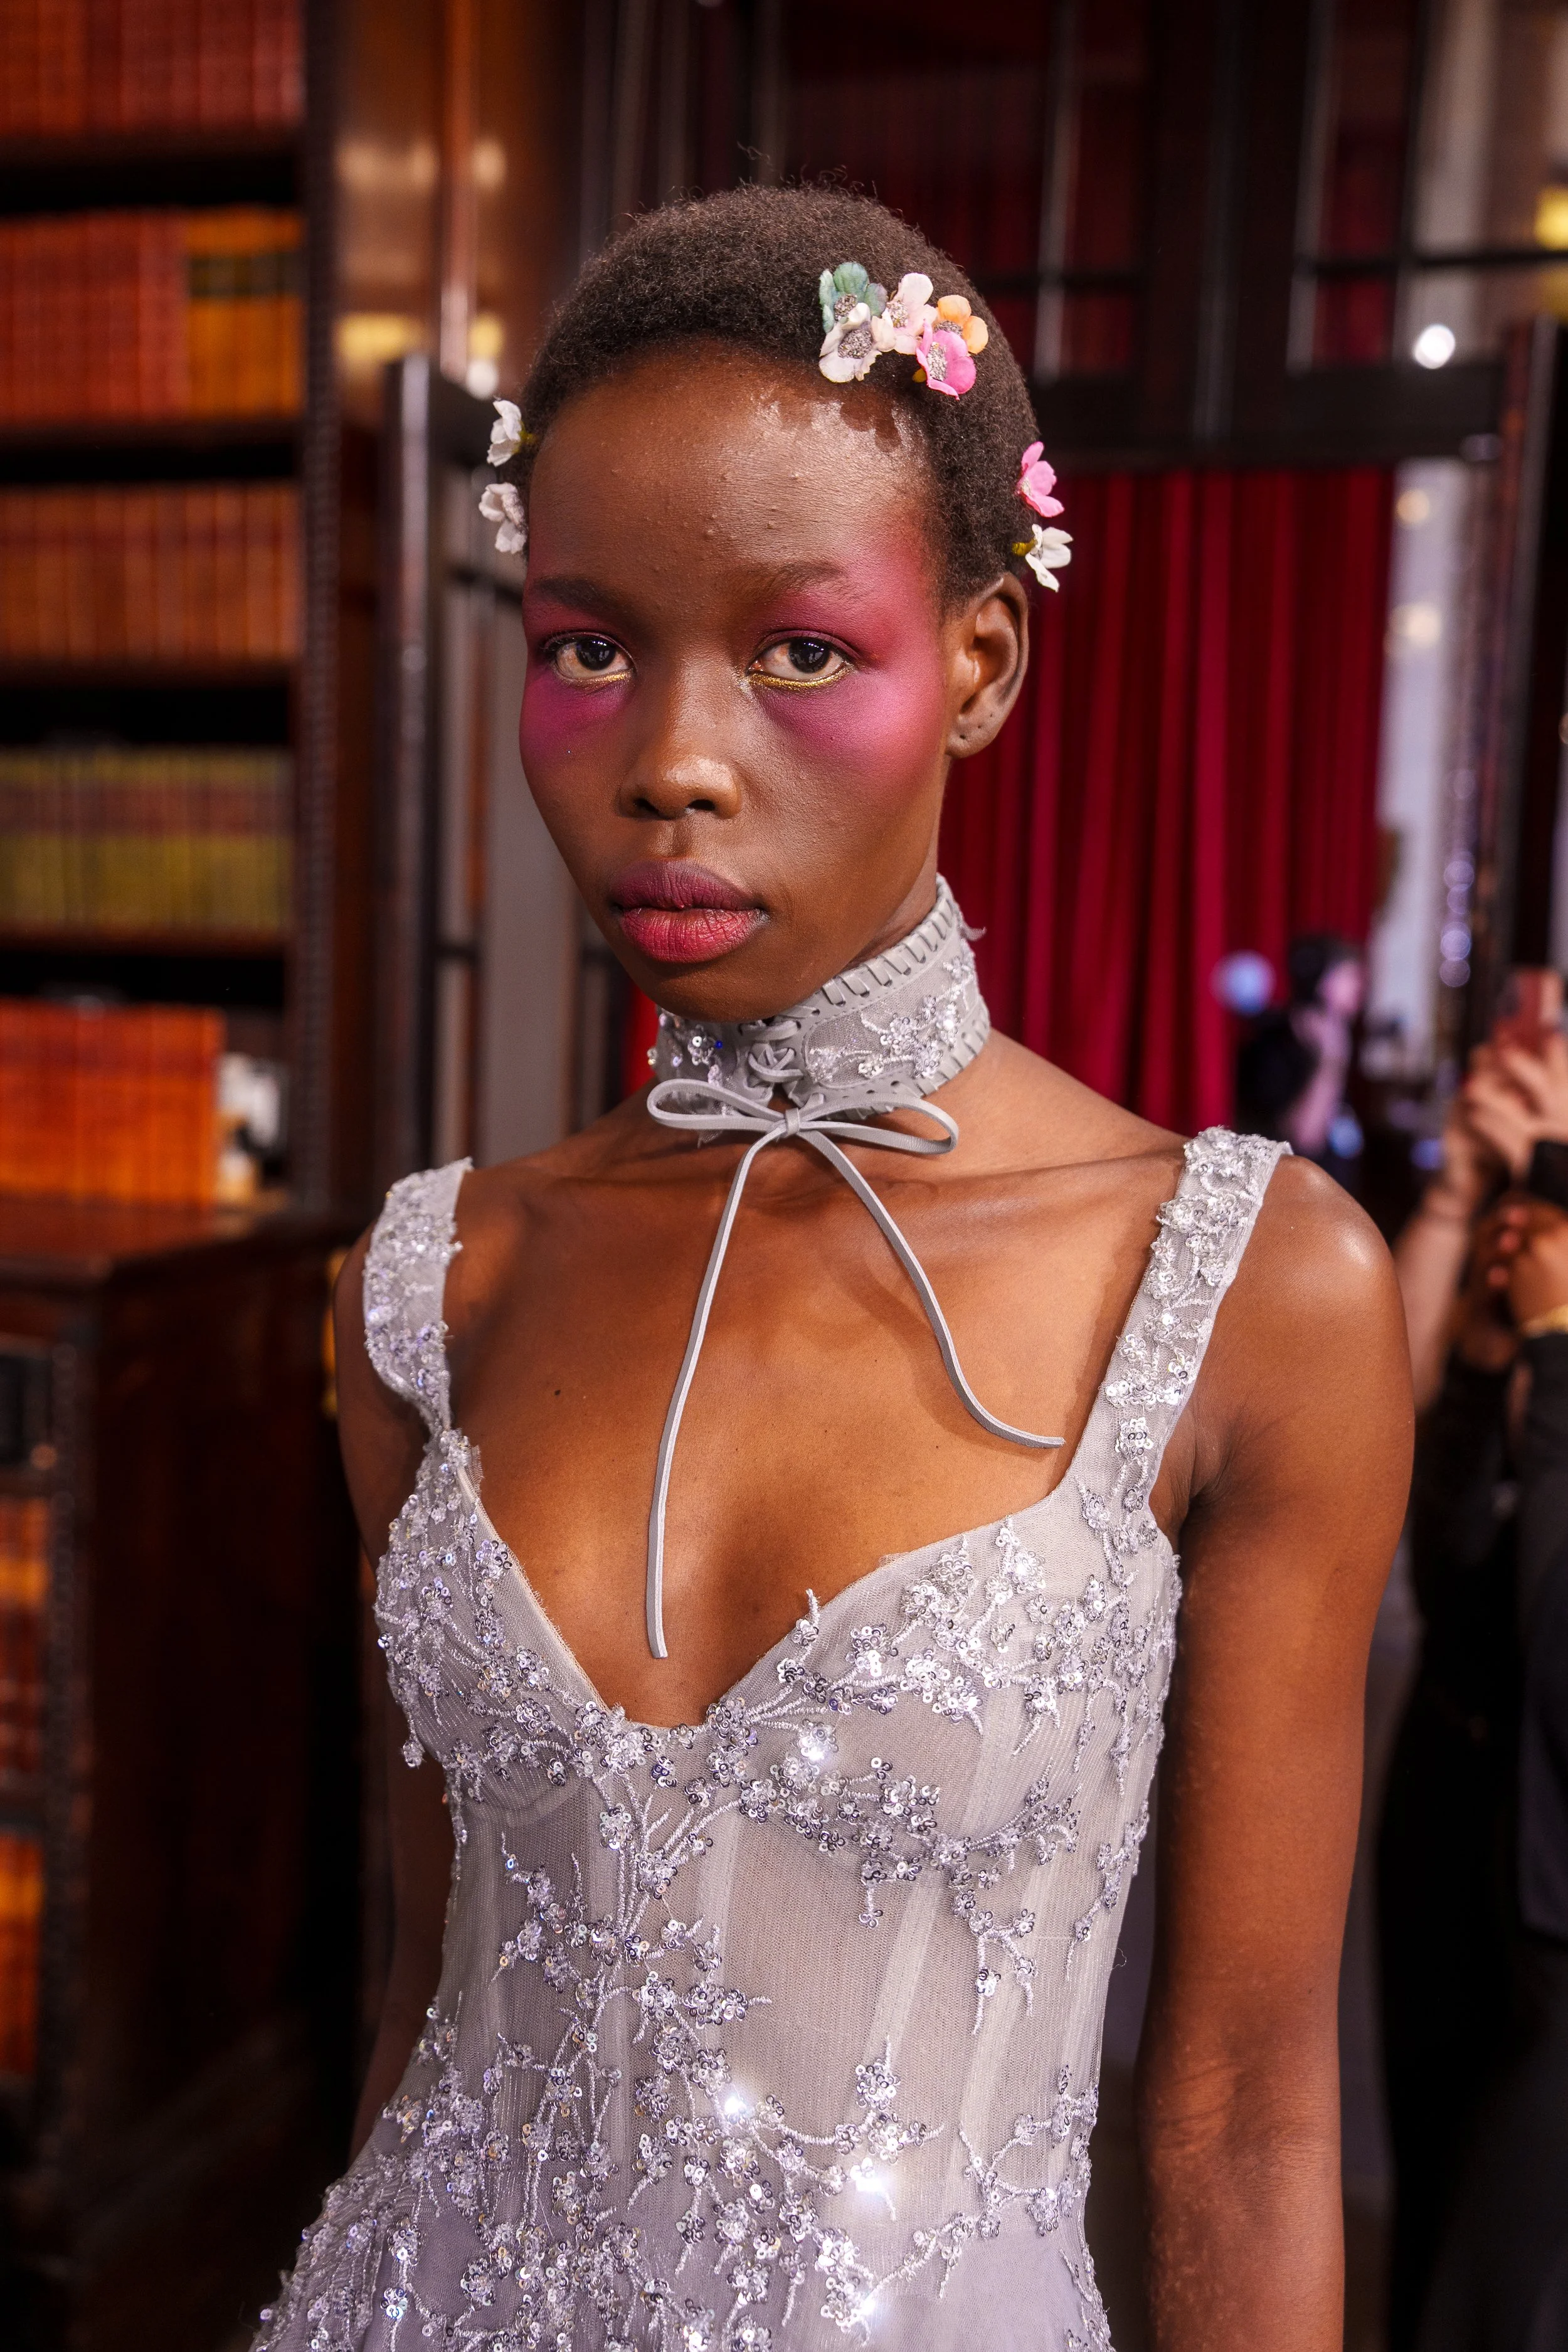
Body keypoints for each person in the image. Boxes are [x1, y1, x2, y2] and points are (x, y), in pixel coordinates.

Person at [253, 188, 1410, 2352]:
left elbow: (1246, 2119)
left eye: (802, 649)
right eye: (589, 644)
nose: (673, 764)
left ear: (977, 664)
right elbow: (422, 1987)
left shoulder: (1249, 1284)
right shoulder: (431, 1287)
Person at [1235, 933, 1366, 1188]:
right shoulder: (1273, 1044)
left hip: (1331, 1191)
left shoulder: (1339, 1036)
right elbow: (1304, 1139)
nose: (1359, 987)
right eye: (1349, 976)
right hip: (1292, 1194)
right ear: (1318, 978)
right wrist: (1329, 1063)